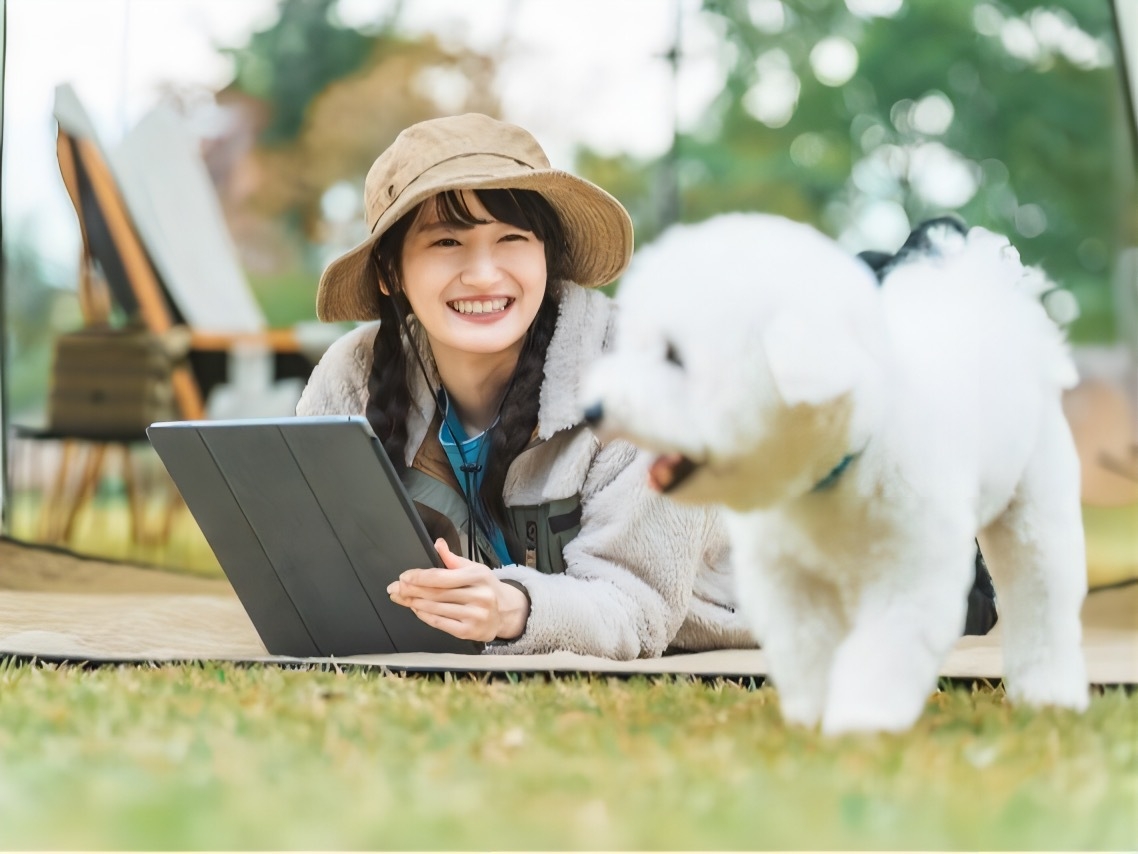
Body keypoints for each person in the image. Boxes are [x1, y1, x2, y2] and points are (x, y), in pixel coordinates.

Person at [296, 113, 753, 658]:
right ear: (389, 273)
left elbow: (637, 607)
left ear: (546, 256)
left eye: (512, 237)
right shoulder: (351, 377)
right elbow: (313, 569)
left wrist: (512, 608)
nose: (485, 274)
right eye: (446, 241)